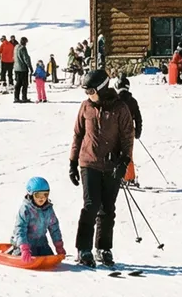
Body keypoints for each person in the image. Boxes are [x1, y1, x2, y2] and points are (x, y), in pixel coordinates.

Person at [68, 69, 135, 267]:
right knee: (90, 206)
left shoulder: (120, 108)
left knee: (107, 209)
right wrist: (73, 162)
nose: (88, 95)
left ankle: (103, 248)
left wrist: (124, 161)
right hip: (88, 162)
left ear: (102, 88)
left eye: (90, 91)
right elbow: (78, 135)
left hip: (111, 165)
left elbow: (127, 137)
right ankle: (84, 249)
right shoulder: (86, 107)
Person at [9, 177, 66, 261]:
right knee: (25, 257)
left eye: (45, 194)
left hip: (41, 243)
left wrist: (59, 246)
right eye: (38, 195)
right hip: (24, 243)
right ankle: (15, 251)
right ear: (31, 194)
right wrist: (24, 248)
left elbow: (54, 228)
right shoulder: (26, 209)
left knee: (48, 258)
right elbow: (20, 229)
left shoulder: (48, 209)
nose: (42, 198)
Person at [116, 76, 143, 187]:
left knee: (116, 153)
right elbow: (138, 117)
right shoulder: (132, 101)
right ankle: (129, 177)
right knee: (128, 154)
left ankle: (117, 177)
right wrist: (138, 131)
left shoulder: (115, 100)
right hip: (129, 131)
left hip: (116, 131)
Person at [13, 38, 32, 103]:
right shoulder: (23, 48)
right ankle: (24, 97)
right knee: (24, 84)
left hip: (16, 68)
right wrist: (30, 67)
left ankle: (16, 97)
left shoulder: (16, 47)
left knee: (18, 84)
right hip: (23, 69)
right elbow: (26, 58)